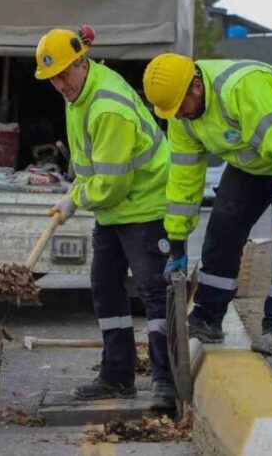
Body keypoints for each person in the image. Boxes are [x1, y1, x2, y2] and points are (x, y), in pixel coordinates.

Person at [141, 54, 272, 356]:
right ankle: (208, 316)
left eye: (179, 107)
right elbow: (183, 181)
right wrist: (176, 242)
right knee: (223, 226)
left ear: (195, 86)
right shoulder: (180, 117)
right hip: (252, 157)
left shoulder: (241, 89)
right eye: (170, 111)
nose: (176, 115)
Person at [35, 26, 175, 401]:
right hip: (116, 211)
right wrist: (75, 189)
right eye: (52, 79)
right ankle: (117, 376)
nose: (60, 84)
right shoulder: (78, 94)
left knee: (153, 291)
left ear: (81, 61)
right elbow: (92, 165)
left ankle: (166, 379)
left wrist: (77, 200)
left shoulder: (107, 107)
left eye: (64, 74)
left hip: (145, 206)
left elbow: (113, 184)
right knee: (105, 286)